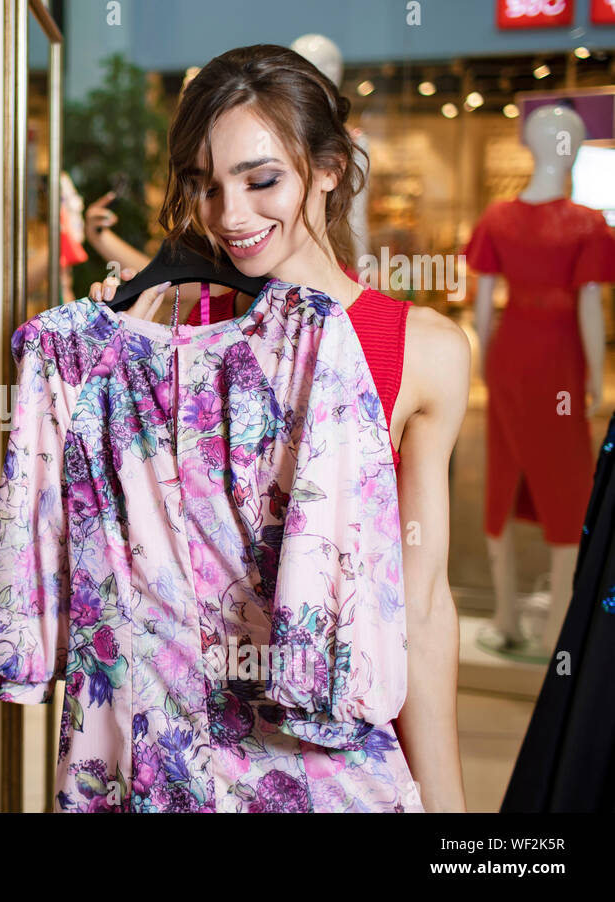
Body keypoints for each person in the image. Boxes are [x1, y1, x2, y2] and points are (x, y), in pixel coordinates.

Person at [88, 44, 470, 812]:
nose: (231, 216)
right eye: (205, 185)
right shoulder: (163, 331)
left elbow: (419, 604)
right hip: (174, 759)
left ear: (328, 169)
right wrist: (107, 357)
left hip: (327, 764)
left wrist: (450, 810)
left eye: (262, 180)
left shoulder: (420, 350)